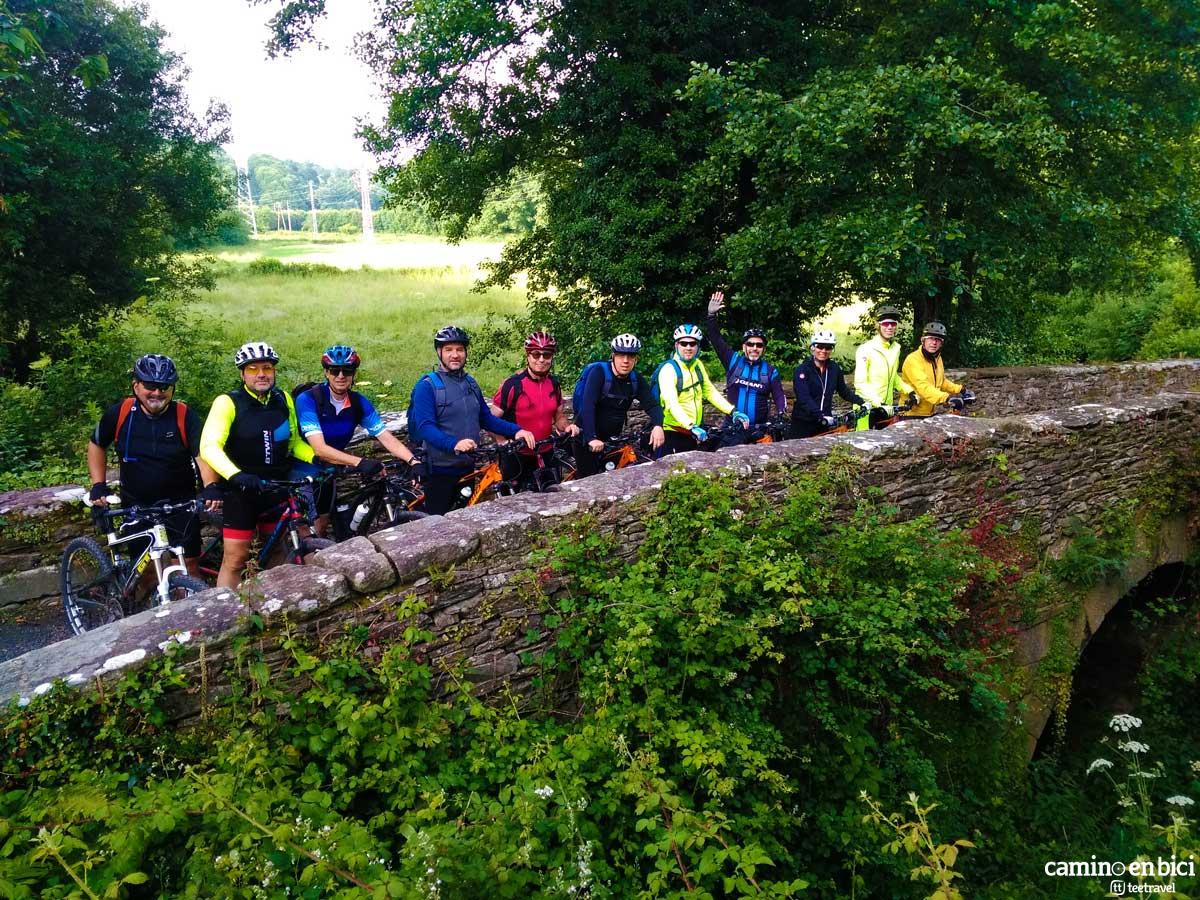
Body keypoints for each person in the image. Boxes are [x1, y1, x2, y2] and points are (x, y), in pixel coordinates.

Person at [87, 354, 220, 577]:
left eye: (164, 387)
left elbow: (201, 455)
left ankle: (188, 600)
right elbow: (96, 444)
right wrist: (98, 484)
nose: (157, 392)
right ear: (136, 386)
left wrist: (211, 487)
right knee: (146, 571)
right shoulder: (120, 413)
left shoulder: (184, 415)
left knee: (189, 565)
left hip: (180, 504)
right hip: (136, 504)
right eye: (150, 386)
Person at [199, 341, 317, 588]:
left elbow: (294, 442)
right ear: (242, 374)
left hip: (275, 488)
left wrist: (316, 458)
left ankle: (277, 602)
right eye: (253, 369)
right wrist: (236, 475)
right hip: (241, 492)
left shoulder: (283, 399)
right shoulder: (228, 402)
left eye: (267, 368)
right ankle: (225, 608)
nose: (261, 374)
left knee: (276, 551)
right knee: (236, 560)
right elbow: (209, 446)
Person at [408, 326, 535, 514]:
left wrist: (516, 430)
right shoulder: (427, 386)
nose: (455, 355)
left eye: (459, 349)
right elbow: (425, 427)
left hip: (467, 467)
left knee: (464, 518)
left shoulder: (470, 383)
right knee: (438, 524)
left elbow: (485, 418)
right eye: (449, 350)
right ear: (439, 352)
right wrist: (454, 444)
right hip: (440, 471)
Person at [294, 344, 418, 535]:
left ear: (354, 374)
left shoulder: (358, 402)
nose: (341, 376)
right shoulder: (309, 399)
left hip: (329, 470)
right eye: (335, 370)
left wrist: (413, 461)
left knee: (322, 523)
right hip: (302, 469)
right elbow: (319, 449)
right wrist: (360, 462)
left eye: (347, 371)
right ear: (326, 373)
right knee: (306, 527)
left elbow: (385, 437)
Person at [489, 331, 580, 488]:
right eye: (536, 354)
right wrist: (502, 441)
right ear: (528, 356)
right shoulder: (513, 385)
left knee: (553, 497)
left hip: (546, 452)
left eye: (547, 355)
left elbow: (558, 416)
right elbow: (490, 419)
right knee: (517, 500)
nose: (541, 359)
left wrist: (567, 427)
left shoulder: (554, 385)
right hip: (517, 455)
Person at [570, 333, 666, 478]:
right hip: (586, 436)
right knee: (588, 479)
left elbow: (652, 405)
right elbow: (588, 406)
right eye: (621, 355)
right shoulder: (599, 373)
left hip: (612, 439)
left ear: (636, 359)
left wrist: (658, 425)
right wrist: (591, 438)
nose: (626, 361)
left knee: (613, 478)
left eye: (630, 356)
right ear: (613, 356)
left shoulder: (635, 379)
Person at [705, 290, 787, 444]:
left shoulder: (770, 371)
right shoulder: (733, 361)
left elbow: (779, 395)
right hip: (733, 427)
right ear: (744, 347)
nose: (754, 348)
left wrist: (781, 413)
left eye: (759, 345)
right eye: (750, 344)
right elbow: (716, 339)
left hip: (759, 430)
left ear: (764, 349)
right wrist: (711, 316)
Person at [656, 323, 748, 455]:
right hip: (673, 431)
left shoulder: (698, 365)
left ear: (698, 346)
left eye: (692, 344)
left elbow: (710, 392)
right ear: (676, 345)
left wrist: (732, 411)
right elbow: (672, 403)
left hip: (694, 432)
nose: (688, 347)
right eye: (684, 343)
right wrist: (690, 425)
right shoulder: (669, 370)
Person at [791, 330, 866, 438]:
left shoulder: (834, 368)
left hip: (824, 422)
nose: (823, 351)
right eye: (820, 347)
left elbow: (844, 391)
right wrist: (819, 415)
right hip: (803, 422)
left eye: (828, 347)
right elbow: (804, 398)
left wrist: (862, 402)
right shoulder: (802, 370)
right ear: (813, 347)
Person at [853, 305, 915, 430]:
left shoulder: (895, 348)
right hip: (867, 408)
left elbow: (893, 377)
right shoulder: (866, 349)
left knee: (885, 441)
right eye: (886, 323)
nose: (890, 327)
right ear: (878, 325)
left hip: (887, 408)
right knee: (865, 440)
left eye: (893, 324)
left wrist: (910, 391)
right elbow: (860, 384)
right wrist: (879, 403)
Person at [901, 321, 976, 416]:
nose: (934, 343)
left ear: (941, 343)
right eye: (930, 338)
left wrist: (961, 390)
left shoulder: (937, 358)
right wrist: (947, 399)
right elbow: (923, 388)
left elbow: (941, 381)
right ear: (923, 340)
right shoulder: (913, 360)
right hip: (910, 414)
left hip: (928, 414)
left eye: (938, 340)